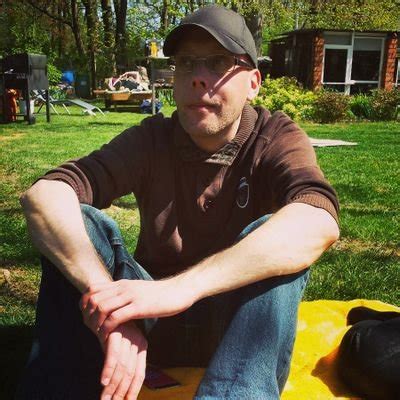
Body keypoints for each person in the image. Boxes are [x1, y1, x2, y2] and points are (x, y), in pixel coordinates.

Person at [17, 5, 339, 400]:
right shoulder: (152, 139)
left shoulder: (275, 137)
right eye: (186, 63)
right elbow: (45, 195)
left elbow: (317, 219)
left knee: (278, 239)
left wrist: (184, 289)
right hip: (148, 318)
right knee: (78, 222)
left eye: (218, 62)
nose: (198, 78)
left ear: (254, 83)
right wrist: (107, 303)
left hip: (236, 331)